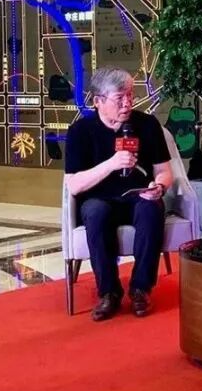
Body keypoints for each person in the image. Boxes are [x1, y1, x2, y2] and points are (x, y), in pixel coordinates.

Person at [64, 67, 173, 321]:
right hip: (99, 199)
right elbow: (74, 185)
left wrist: (159, 187)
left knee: (151, 208)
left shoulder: (147, 125)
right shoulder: (80, 131)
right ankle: (109, 293)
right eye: (119, 98)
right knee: (95, 212)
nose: (127, 104)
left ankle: (140, 289)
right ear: (98, 101)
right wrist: (112, 164)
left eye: (130, 96)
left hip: (138, 196)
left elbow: (164, 171)